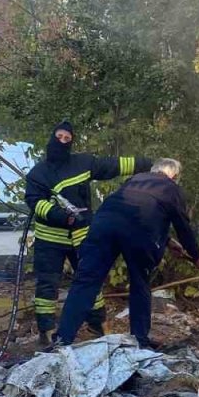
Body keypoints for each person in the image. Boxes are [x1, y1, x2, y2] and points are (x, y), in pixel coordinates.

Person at [54, 158, 199, 348]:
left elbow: (131, 211)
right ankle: (140, 341)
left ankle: (62, 340)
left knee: (85, 282)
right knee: (140, 283)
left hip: (102, 226)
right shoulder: (171, 188)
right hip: (139, 232)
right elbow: (182, 226)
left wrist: (168, 242)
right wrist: (197, 256)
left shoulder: (135, 180)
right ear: (174, 175)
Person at [24, 121, 153, 347]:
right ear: (52, 137)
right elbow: (35, 204)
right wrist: (62, 216)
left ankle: (97, 323)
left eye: (67, 139)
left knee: (90, 279)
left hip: (81, 236)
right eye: (59, 136)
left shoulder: (82, 163)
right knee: (47, 285)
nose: (62, 142)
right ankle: (47, 330)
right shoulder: (38, 174)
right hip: (49, 238)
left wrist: (147, 164)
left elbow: (112, 165)